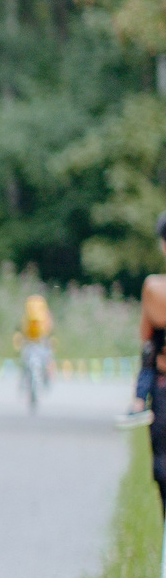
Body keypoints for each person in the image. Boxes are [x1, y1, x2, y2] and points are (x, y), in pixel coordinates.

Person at [124, 215, 166, 513]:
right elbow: (150, 349)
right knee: (162, 468)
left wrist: (140, 397)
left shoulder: (155, 289)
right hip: (162, 386)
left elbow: (149, 348)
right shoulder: (155, 289)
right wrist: (140, 395)